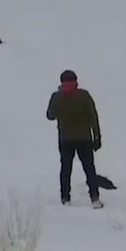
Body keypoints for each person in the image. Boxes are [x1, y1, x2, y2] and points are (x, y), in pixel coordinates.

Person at [46, 69, 103, 208]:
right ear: (76, 81)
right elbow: (93, 117)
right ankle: (94, 197)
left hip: (65, 139)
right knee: (89, 168)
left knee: (66, 168)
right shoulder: (83, 95)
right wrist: (97, 136)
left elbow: (50, 116)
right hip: (84, 138)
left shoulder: (57, 96)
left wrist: (58, 99)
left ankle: (65, 198)